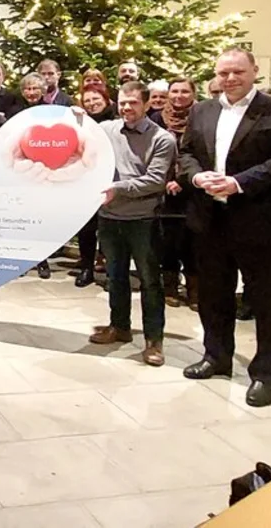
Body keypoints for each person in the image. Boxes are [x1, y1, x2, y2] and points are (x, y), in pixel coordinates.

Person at [179, 48, 271, 407]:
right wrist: (196, 175)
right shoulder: (202, 110)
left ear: (254, 71)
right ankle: (216, 356)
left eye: (237, 72)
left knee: (267, 302)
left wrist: (239, 182)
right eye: (223, 73)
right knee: (214, 295)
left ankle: (265, 374)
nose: (230, 79)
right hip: (210, 218)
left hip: (260, 218)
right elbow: (186, 153)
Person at [88, 81, 177, 366]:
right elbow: (79, 137)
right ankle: (119, 327)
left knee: (150, 281)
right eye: (122, 102)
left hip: (143, 220)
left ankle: (154, 340)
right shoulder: (105, 130)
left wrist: (118, 188)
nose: (127, 108)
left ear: (147, 103)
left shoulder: (162, 139)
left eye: (133, 103)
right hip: (109, 217)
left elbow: (155, 181)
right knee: (115, 277)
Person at [159, 78, 198, 309]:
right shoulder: (157, 118)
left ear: (193, 93)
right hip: (163, 191)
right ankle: (170, 287)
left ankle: (195, 290)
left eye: (185, 91)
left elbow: (203, 152)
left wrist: (183, 180)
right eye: (174, 91)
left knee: (192, 244)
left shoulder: (201, 117)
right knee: (168, 243)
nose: (179, 96)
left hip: (193, 190)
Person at [74, 88, 118, 288]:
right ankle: (86, 268)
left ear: (106, 99)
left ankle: (112, 274)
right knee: (86, 228)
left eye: (96, 98)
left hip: (113, 180)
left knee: (110, 230)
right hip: (87, 180)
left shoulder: (117, 118)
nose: (92, 103)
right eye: (87, 100)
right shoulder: (80, 120)